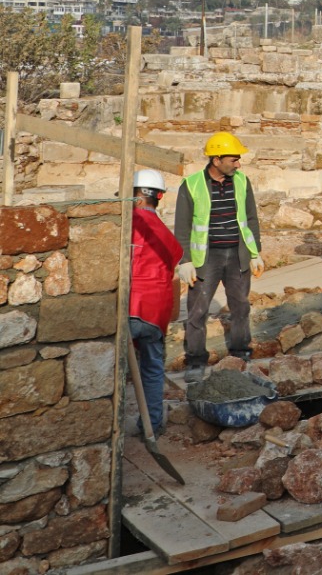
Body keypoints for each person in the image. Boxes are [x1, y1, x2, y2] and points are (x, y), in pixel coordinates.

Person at [174, 132, 262, 378]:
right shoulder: (191, 185)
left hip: (237, 254)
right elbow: (182, 227)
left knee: (241, 306)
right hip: (206, 258)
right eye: (233, 159)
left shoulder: (242, 182)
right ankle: (195, 361)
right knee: (197, 310)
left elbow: (251, 219)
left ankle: (241, 354)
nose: (238, 164)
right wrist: (186, 260)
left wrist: (255, 253)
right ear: (217, 160)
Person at [130, 170, 182, 434]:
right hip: (155, 315)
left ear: (135, 194)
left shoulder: (126, 224)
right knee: (152, 370)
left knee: (112, 371)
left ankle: (107, 430)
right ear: (159, 197)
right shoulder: (166, 235)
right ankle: (150, 426)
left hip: (128, 309)